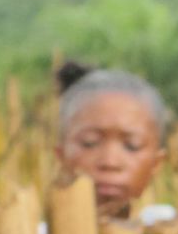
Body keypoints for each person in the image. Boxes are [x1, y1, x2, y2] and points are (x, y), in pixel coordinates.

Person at [54, 61, 169, 220]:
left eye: (131, 146)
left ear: (157, 163)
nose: (110, 162)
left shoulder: (171, 231)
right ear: (61, 155)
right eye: (90, 142)